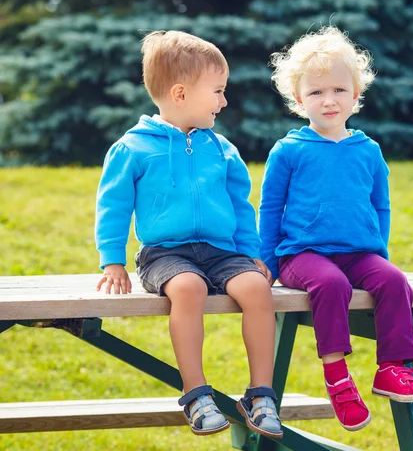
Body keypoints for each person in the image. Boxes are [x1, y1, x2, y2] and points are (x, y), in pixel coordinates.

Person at [95, 30, 282, 438]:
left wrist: (250, 253)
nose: (224, 100)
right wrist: (113, 260)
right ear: (180, 94)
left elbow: (239, 206)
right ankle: (196, 394)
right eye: (217, 91)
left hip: (221, 252)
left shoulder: (222, 149)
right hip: (165, 254)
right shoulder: (133, 148)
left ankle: (261, 394)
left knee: (256, 289)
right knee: (189, 289)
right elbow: (113, 207)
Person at [259, 26, 413, 432]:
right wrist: (267, 261)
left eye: (338, 90)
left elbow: (380, 205)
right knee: (331, 285)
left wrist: (379, 254)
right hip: (302, 256)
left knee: (394, 282)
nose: (329, 100)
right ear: (299, 100)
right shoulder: (289, 150)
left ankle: (392, 368)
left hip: (360, 253)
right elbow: (269, 209)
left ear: (356, 94)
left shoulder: (368, 151)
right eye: (316, 93)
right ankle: (337, 376)